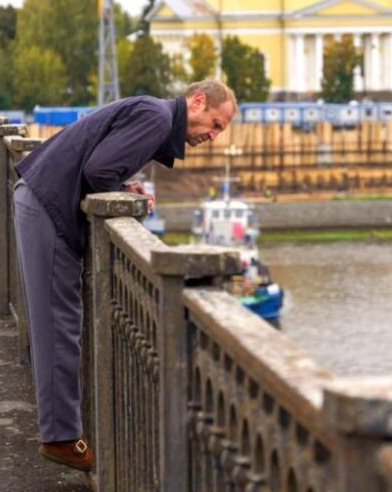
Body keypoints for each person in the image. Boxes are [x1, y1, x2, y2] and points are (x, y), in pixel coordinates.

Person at [13, 79, 237, 471]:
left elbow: (102, 167)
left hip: (41, 198)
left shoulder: (154, 113)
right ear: (197, 101)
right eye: (215, 124)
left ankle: (62, 429)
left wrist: (123, 184)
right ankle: (61, 437)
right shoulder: (156, 118)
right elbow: (99, 170)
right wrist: (119, 184)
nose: (213, 137)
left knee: (60, 320)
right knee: (58, 324)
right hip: (47, 206)